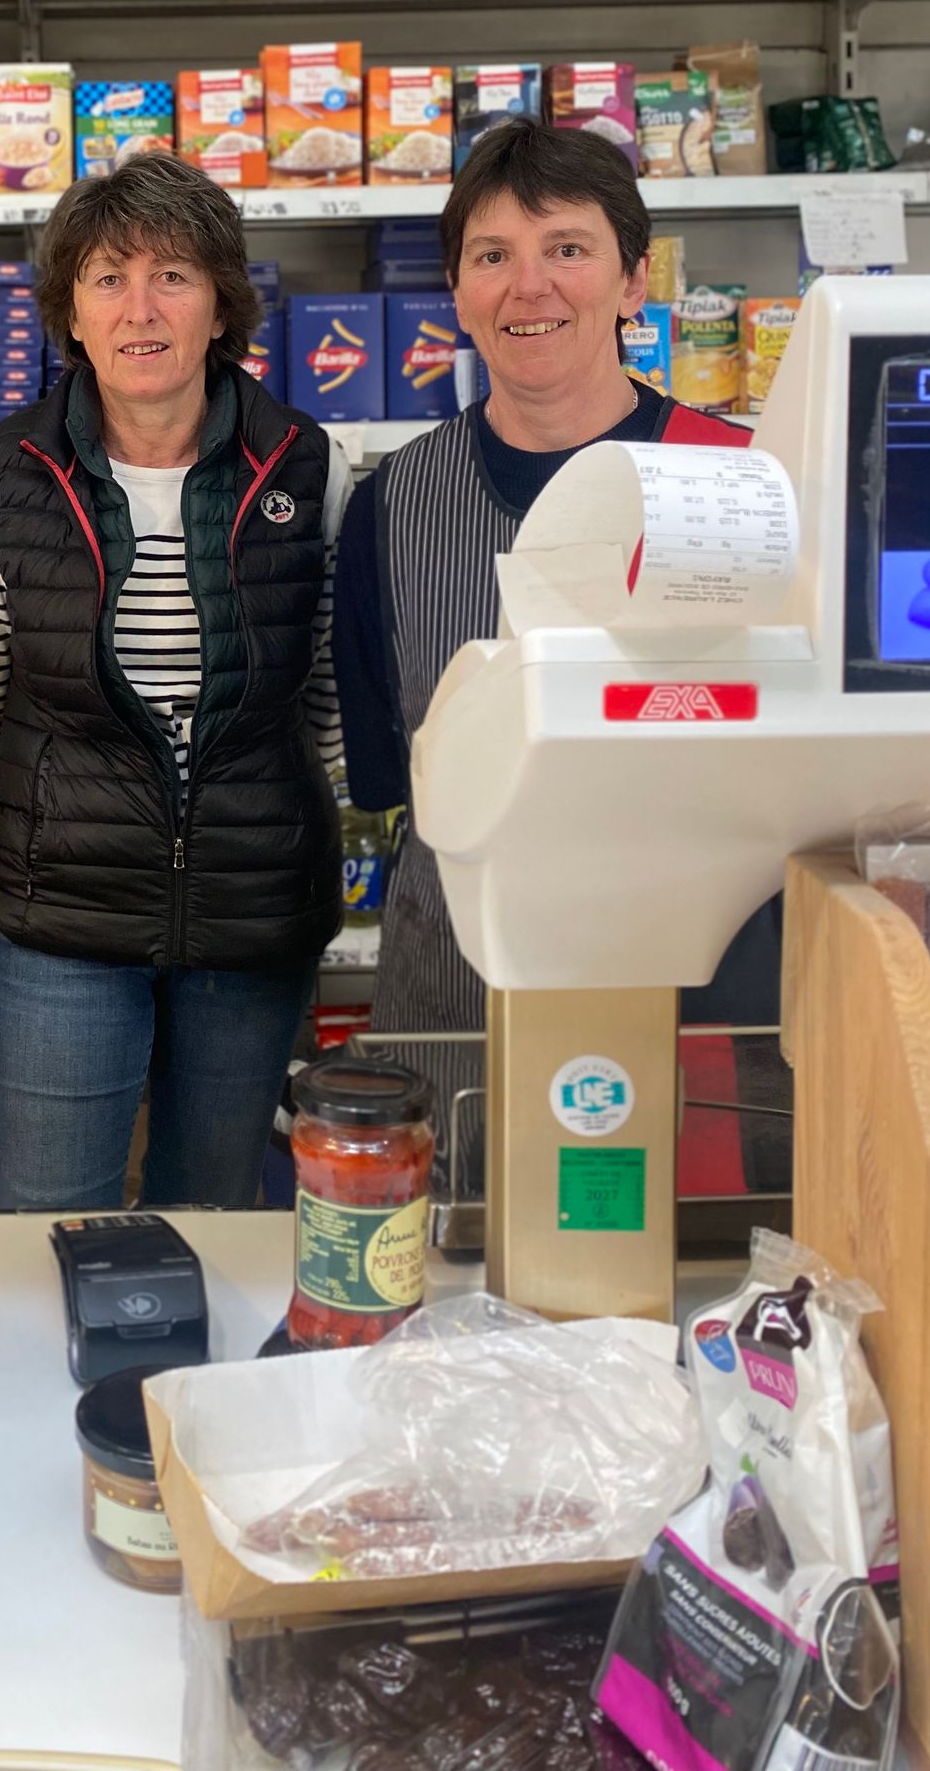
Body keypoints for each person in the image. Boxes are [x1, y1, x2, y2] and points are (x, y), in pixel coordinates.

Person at [334, 117, 774, 1168]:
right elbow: (392, 779)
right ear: (457, 291)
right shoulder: (392, 508)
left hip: (703, 994)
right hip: (460, 1003)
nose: (528, 286)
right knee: (457, 1251)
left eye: (567, 248)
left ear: (633, 280)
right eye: (493, 256)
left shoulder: (747, 486)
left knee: (702, 1249)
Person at [0, 151, 352, 1213]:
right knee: (51, 1216)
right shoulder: (6, 471)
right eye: (108, 278)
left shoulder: (309, 467)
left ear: (220, 305)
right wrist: (44, 829)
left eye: (173, 275)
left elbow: (322, 698)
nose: (141, 309)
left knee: (211, 1209)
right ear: (71, 313)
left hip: (249, 910)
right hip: (63, 913)